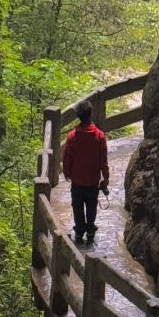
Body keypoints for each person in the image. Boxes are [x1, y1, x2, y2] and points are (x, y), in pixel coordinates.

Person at [62, 99, 109, 244]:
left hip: (77, 180)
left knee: (77, 207)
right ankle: (90, 231)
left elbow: (67, 157)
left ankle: (79, 231)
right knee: (91, 206)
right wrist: (105, 178)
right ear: (91, 114)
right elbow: (103, 161)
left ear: (78, 116)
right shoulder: (99, 136)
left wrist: (67, 173)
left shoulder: (72, 137)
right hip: (93, 181)